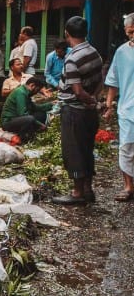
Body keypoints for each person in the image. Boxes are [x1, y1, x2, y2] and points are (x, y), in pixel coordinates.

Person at [53, 16, 103, 205]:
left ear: (67, 34)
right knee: (87, 149)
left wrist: (90, 101)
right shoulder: (95, 53)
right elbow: (100, 81)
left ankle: (77, 192)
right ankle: (88, 189)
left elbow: (77, 91)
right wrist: (95, 101)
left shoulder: (72, 58)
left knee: (73, 151)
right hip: (89, 112)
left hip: (75, 111)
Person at [104, 12, 134, 201]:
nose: (129, 32)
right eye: (128, 30)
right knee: (126, 148)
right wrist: (108, 104)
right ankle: (128, 186)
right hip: (127, 108)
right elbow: (113, 79)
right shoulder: (122, 51)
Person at [1, 77, 53, 143]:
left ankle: (30, 134)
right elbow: (22, 114)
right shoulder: (21, 93)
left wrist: (50, 104)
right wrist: (40, 125)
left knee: (40, 114)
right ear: (32, 85)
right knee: (29, 119)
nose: (36, 92)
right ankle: (23, 138)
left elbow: (35, 107)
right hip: (8, 122)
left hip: (16, 119)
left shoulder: (25, 93)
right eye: (37, 90)